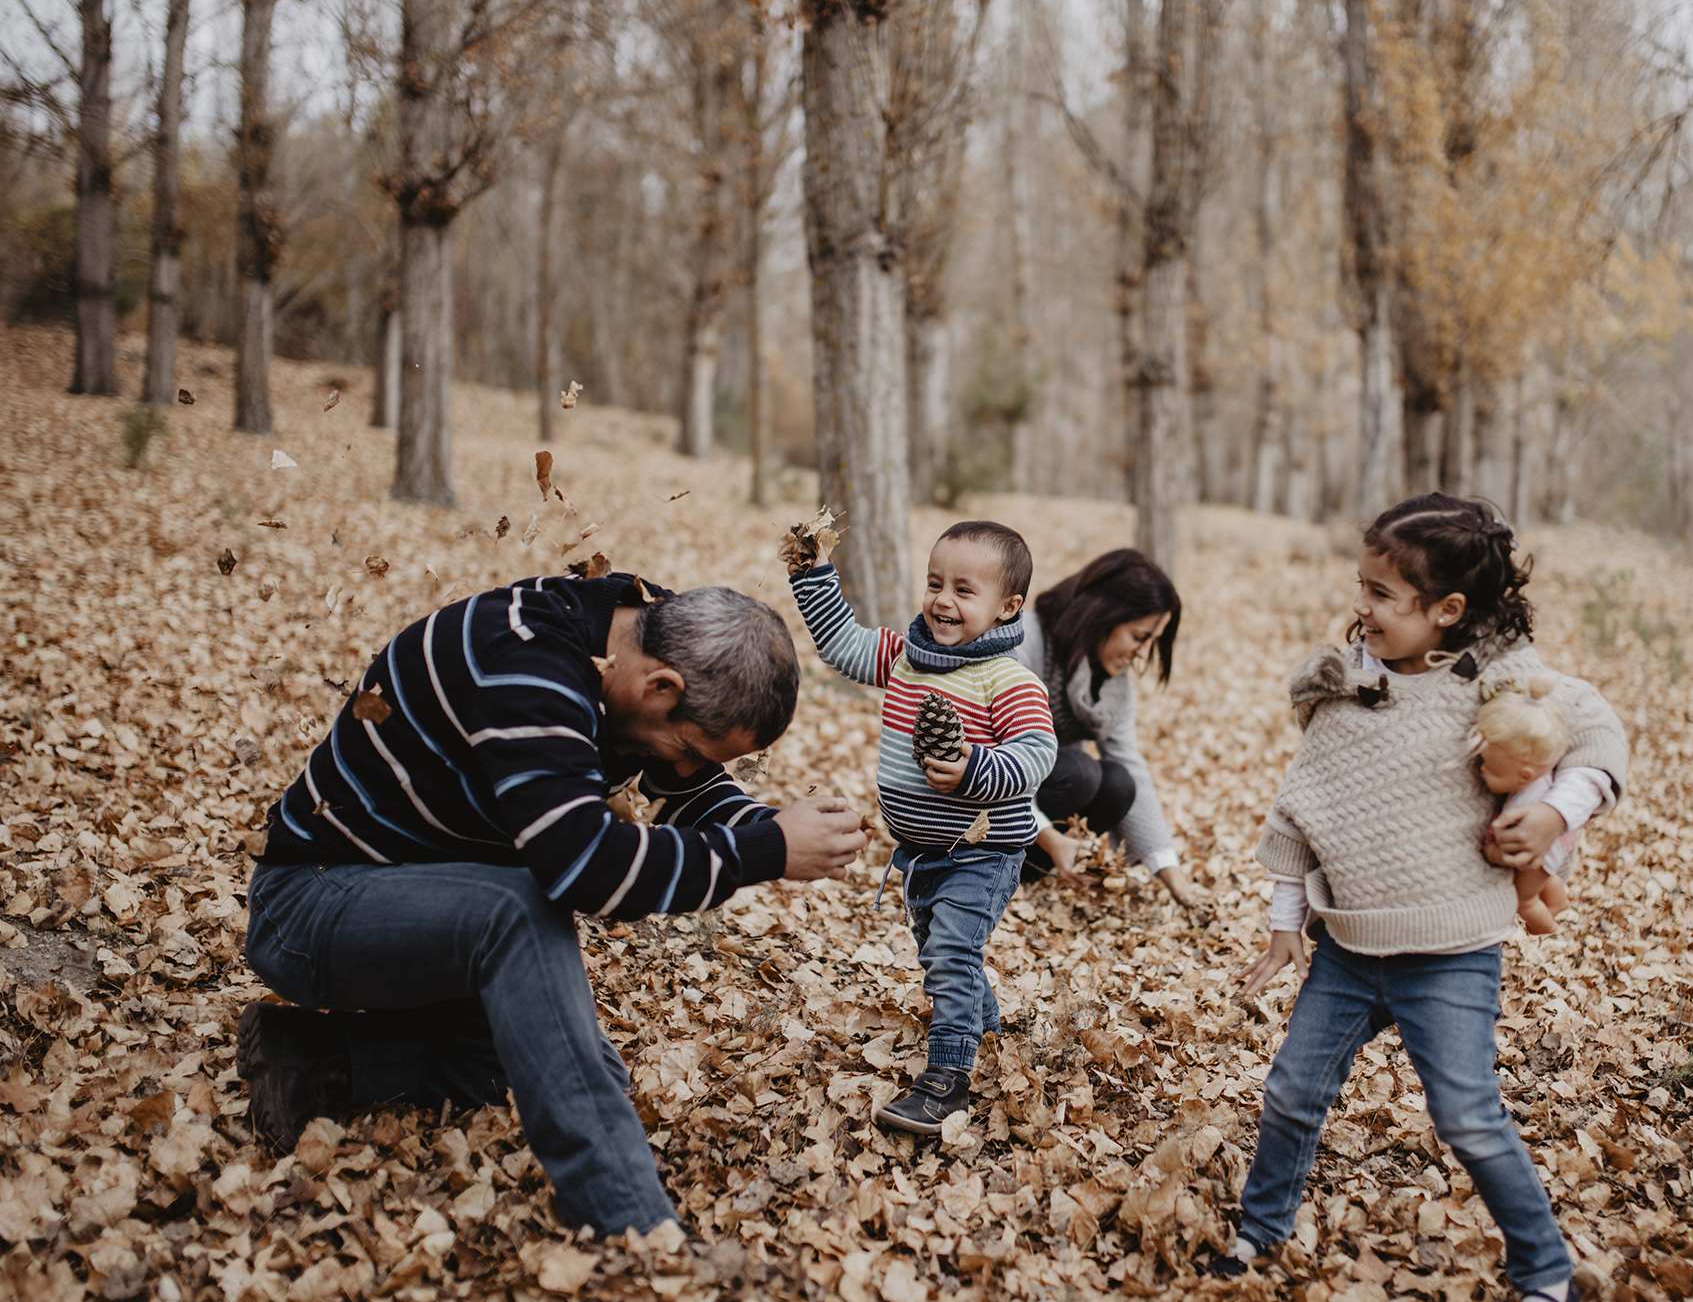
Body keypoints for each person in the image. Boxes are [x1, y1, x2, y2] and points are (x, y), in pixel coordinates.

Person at [238, 573, 866, 1239]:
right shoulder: (527, 668)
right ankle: (631, 1224)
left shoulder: (645, 632)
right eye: (687, 747)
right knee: (521, 911)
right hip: (314, 902)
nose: (683, 769)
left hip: (432, 894)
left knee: (580, 1066)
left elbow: (684, 780)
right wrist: (765, 851)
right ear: (661, 689)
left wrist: (758, 824)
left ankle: (314, 1059)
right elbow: (583, 869)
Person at [1209, 495, 1629, 1302]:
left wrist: (1555, 811)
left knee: (1469, 1118)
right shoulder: (1346, 683)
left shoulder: (1502, 675)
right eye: (1361, 585)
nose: (1362, 605)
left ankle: (1545, 1267)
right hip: (1348, 951)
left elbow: (1596, 734)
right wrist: (1288, 921)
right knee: (1291, 1092)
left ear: (1447, 610)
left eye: (1383, 592)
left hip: (1449, 955)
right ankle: (1262, 1230)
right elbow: (1303, 804)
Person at [788, 520, 1057, 1134]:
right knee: (941, 946)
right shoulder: (907, 657)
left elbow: (1038, 754)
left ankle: (947, 1083)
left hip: (982, 852)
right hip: (919, 850)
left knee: (950, 952)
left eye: (965, 590)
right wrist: (811, 574)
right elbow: (843, 645)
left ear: (1007, 607)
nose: (942, 599)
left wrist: (973, 770)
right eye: (935, 582)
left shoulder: (1009, 680)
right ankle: (986, 1025)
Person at [1013, 549, 1201, 906]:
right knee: (1080, 770)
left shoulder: (1113, 685)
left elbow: (1130, 764)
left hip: (1036, 820)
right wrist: (1050, 837)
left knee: (1118, 781)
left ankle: (1035, 869)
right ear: (1103, 615)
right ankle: (1005, 861)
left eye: (1152, 642)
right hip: (989, 804)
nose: (1144, 654)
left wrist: (1170, 871)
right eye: (1139, 636)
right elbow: (993, 761)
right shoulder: (1028, 641)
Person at [1474, 675, 1576, 934]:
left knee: (1524, 897)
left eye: (1490, 767)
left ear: (1524, 775)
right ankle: (1557, 898)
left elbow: (1508, 848)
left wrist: (1491, 853)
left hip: (1542, 847)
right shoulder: (1541, 782)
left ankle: (1546, 927)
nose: (1481, 770)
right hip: (1558, 840)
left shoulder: (1524, 804)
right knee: (1543, 874)